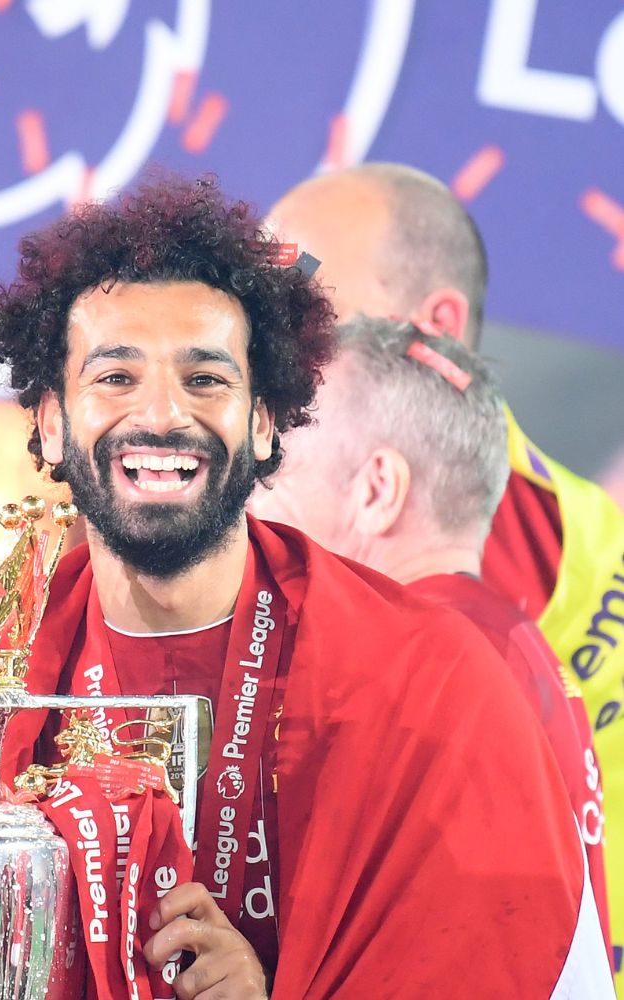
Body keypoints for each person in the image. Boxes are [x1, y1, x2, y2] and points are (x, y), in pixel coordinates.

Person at [0, 175, 612, 997]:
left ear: (267, 419)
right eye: (116, 378)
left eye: (206, 379)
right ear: (52, 421)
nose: (162, 414)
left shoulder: (434, 681)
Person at [270, 163, 624, 975]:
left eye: (307, 313)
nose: (267, 348)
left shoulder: (461, 562)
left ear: (435, 331)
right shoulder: (492, 509)